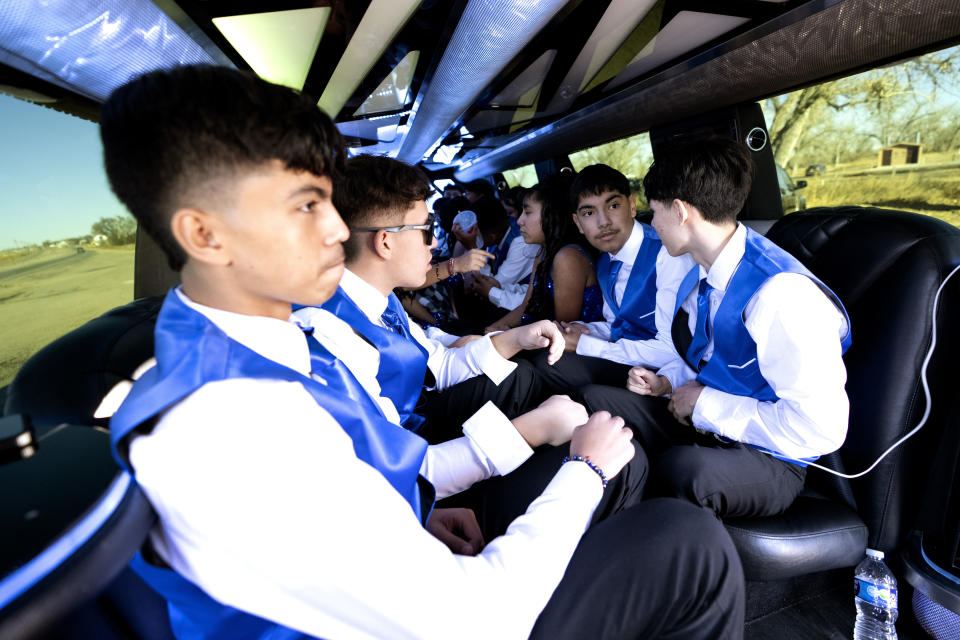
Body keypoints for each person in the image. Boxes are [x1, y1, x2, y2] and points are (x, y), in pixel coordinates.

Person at [103, 64, 745, 640]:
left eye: (328, 200)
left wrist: (412, 517)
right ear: (205, 234)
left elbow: (360, 491)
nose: (337, 231)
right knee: (691, 543)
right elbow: (479, 621)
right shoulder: (229, 428)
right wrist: (586, 470)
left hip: (415, 559)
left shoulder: (258, 351)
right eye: (306, 206)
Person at [581, 136, 851, 519]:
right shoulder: (701, 271)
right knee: (596, 403)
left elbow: (820, 429)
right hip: (710, 423)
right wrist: (668, 383)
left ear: (680, 212)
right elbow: (707, 357)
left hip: (771, 455)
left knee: (682, 470)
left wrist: (703, 404)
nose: (651, 224)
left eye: (654, 212)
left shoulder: (782, 295)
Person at [531, 163, 692, 394]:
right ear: (578, 223)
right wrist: (583, 330)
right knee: (546, 356)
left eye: (613, 206)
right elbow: (617, 324)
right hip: (630, 361)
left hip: (663, 375)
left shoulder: (666, 253)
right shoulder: (605, 261)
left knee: (551, 367)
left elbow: (672, 349)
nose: (603, 221)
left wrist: (586, 345)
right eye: (589, 213)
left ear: (633, 206)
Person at [485, 173, 603, 332]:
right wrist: (494, 329)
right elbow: (528, 305)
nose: (519, 221)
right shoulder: (543, 252)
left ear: (551, 214)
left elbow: (562, 329)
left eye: (527, 212)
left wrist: (510, 336)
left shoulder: (567, 258)